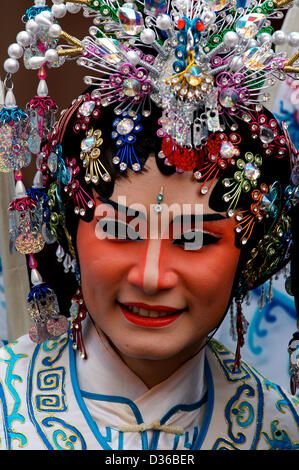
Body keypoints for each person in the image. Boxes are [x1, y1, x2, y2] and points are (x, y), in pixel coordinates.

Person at [0, 0, 299, 451]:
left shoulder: (280, 431)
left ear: (250, 252)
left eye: (196, 238)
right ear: (69, 231)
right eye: (119, 231)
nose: (152, 276)